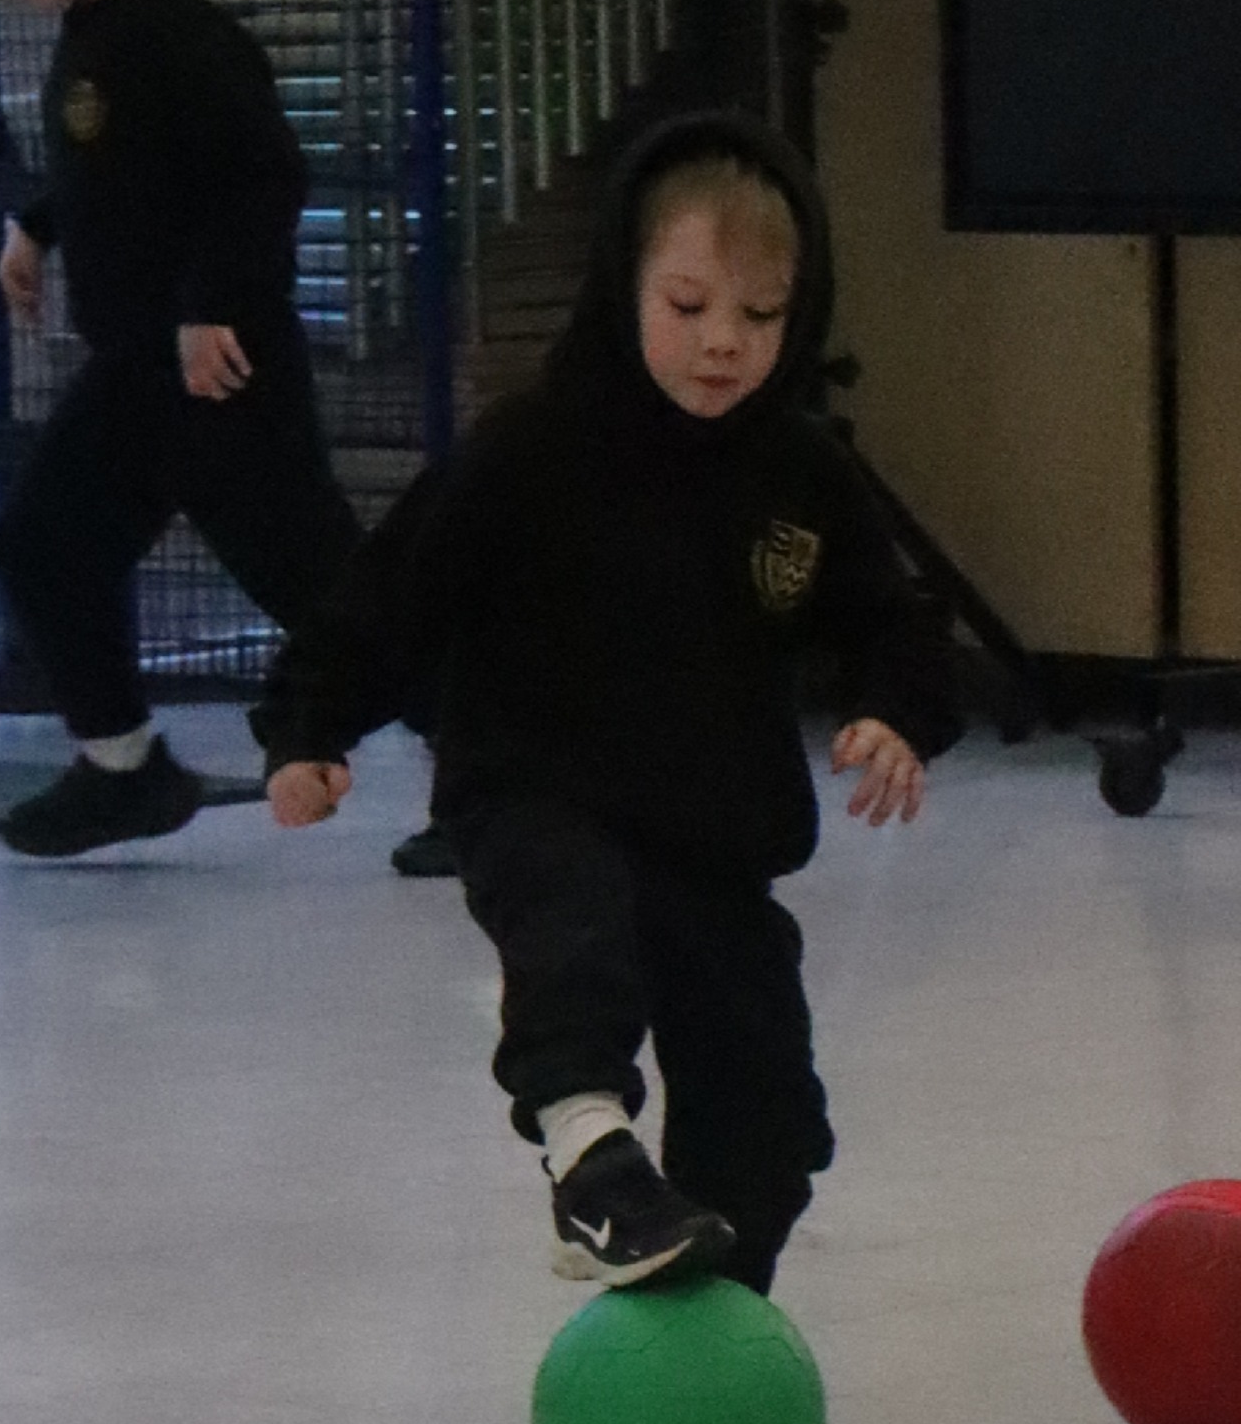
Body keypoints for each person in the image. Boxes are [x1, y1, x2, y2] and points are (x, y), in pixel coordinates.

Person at [257, 111, 960, 1294]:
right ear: (623, 285)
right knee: (575, 933)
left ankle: (708, 1306)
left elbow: (890, 616)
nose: (722, 342)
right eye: (687, 306)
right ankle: (589, 1156)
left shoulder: (800, 473)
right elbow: (392, 591)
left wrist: (895, 709)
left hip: (710, 837)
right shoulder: (531, 449)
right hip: (533, 790)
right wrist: (308, 727)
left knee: (766, 1104)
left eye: (760, 316)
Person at [0, 0, 364, 859]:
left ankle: (494, 762)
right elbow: (116, 172)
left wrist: (210, 308)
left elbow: (258, 179)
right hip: (139, 373)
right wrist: (38, 226)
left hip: (221, 375)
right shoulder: (92, 35)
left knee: (321, 587)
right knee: (44, 542)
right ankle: (121, 765)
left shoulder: (181, 36)